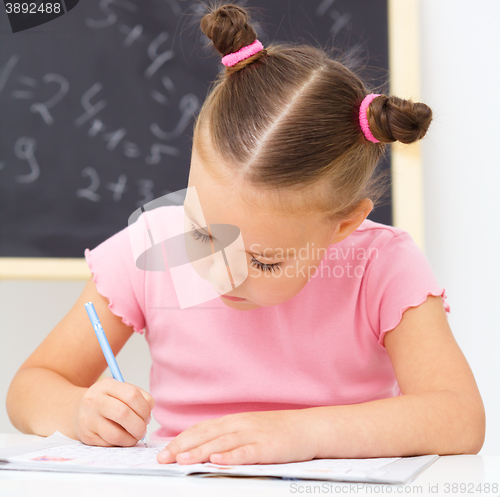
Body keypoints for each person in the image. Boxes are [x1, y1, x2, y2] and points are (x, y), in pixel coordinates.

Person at [7, 2, 485, 466]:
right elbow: (31, 387)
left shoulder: (382, 266)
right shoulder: (151, 246)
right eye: (204, 233)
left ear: (343, 224)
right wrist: (78, 411)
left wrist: (304, 433)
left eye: (264, 260)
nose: (223, 274)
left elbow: (459, 417)